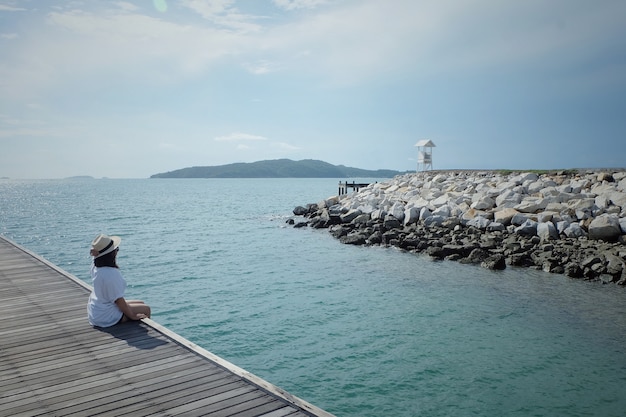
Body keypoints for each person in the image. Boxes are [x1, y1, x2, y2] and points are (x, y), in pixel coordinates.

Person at [87, 234, 151, 327]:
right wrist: (132, 316)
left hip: (97, 309)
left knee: (141, 303)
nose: (117, 251)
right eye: (116, 249)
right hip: (105, 316)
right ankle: (144, 336)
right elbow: (118, 300)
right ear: (112, 254)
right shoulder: (111, 274)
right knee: (146, 309)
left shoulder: (96, 265)